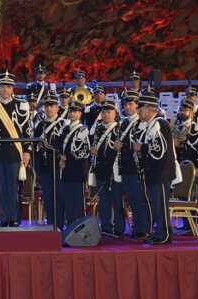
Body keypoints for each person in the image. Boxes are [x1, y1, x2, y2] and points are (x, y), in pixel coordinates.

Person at [0, 71, 32, 227]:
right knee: (1, 187)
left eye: (8, 87)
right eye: (2, 86)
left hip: (14, 152)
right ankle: (3, 217)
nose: (5, 90)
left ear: (12, 89)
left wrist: (27, 150)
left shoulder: (21, 104)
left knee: (14, 187)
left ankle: (15, 217)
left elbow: (27, 130)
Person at [134, 92, 178, 244]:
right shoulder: (152, 124)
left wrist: (142, 148)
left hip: (160, 173)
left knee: (160, 205)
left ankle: (165, 234)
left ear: (149, 108)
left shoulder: (160, 123)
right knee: (156, 205)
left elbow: (160, 150)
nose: (138, 111)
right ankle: (160, 232)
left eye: (141, 107)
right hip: (154, 173)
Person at [116, 91, 149, 239]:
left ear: (137, 105)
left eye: (131, 104)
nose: (128, 107)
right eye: (125, 104)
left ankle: (142, 229)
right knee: (131, 200)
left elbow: (141, 145)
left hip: (137, 168)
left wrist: (123, 146)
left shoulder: (141, 123)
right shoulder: (124, 122)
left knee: (139, 200)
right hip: (126, 167)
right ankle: (136, 228)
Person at [90, 99, 124, 237]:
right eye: (103, 112)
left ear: (115, 113)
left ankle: (119, 229)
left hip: (114, 170)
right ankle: (106, 227)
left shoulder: (120, 128)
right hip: (101, 169)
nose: (106, 115)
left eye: (109, 112)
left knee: (117, 201)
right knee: (103, 201)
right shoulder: (97, 128)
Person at [58, 101, 90, 228]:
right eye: (70, 111)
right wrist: (60, 156)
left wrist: (67, 158)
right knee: (68, 201)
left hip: (77, 170)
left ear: (80, 113)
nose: (72, 114)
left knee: (77, 201)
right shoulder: (65, 128)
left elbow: (84, 151)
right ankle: (71, 226)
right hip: (65, 170)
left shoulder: (83, 129)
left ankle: (79, 228)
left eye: (75, 111)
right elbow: (59, 145)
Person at [33, 96, 64, 227]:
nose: (49, 108)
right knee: (48, 197)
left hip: (58, 166)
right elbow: (35, 148)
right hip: (45, 166)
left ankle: (60, 224)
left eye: (52, 106)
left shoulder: (64, 124)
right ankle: (51, 224)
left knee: (59, 196)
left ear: (57, 108)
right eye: (47, 106)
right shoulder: (40, 125)